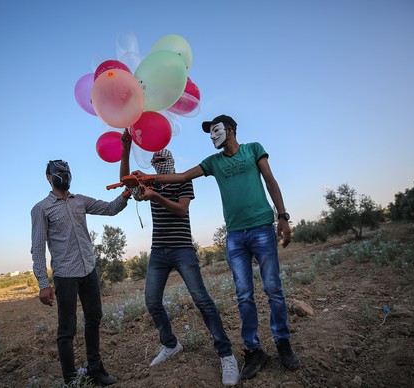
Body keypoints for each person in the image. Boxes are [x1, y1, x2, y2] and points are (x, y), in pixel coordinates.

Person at [132, 115, 300, 380]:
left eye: (215, 131)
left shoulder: (253, 149)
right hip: (234, 235)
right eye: (209, 133)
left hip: (261, 229)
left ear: (230, 130)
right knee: (243, 294)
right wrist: (149, 177)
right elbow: (184, 176)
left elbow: (270, 180)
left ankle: (283, 343)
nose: (212, 136)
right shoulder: (213, 162)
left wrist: (282, 216)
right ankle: (253, 350)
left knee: (273, 289)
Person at [120, 131, 240, 386]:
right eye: (155, 163)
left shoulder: (183, 181)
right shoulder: (149, 183)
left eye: (162, 162)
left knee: (202, 300)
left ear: (170, 162)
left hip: (183, 248)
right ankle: (170, 344)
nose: (158, 166)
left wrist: (156, 197)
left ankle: (226, 354)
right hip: (158, 251)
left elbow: (181, 209)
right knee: (152, 301)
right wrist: (126, 147)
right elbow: (125, 179)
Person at [31, 159, 130, 386]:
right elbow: (37, 247)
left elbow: (109, 208)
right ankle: (71, 379)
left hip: (88, 269)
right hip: (65, 275)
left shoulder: (80, 201)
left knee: (94, 318)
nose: (63, 175)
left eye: (66, 171)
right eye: (58, 172)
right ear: (49, 177)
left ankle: (96, 370)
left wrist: (126, 194)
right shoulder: (41, 209)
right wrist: (43, 283)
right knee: (67, 328)